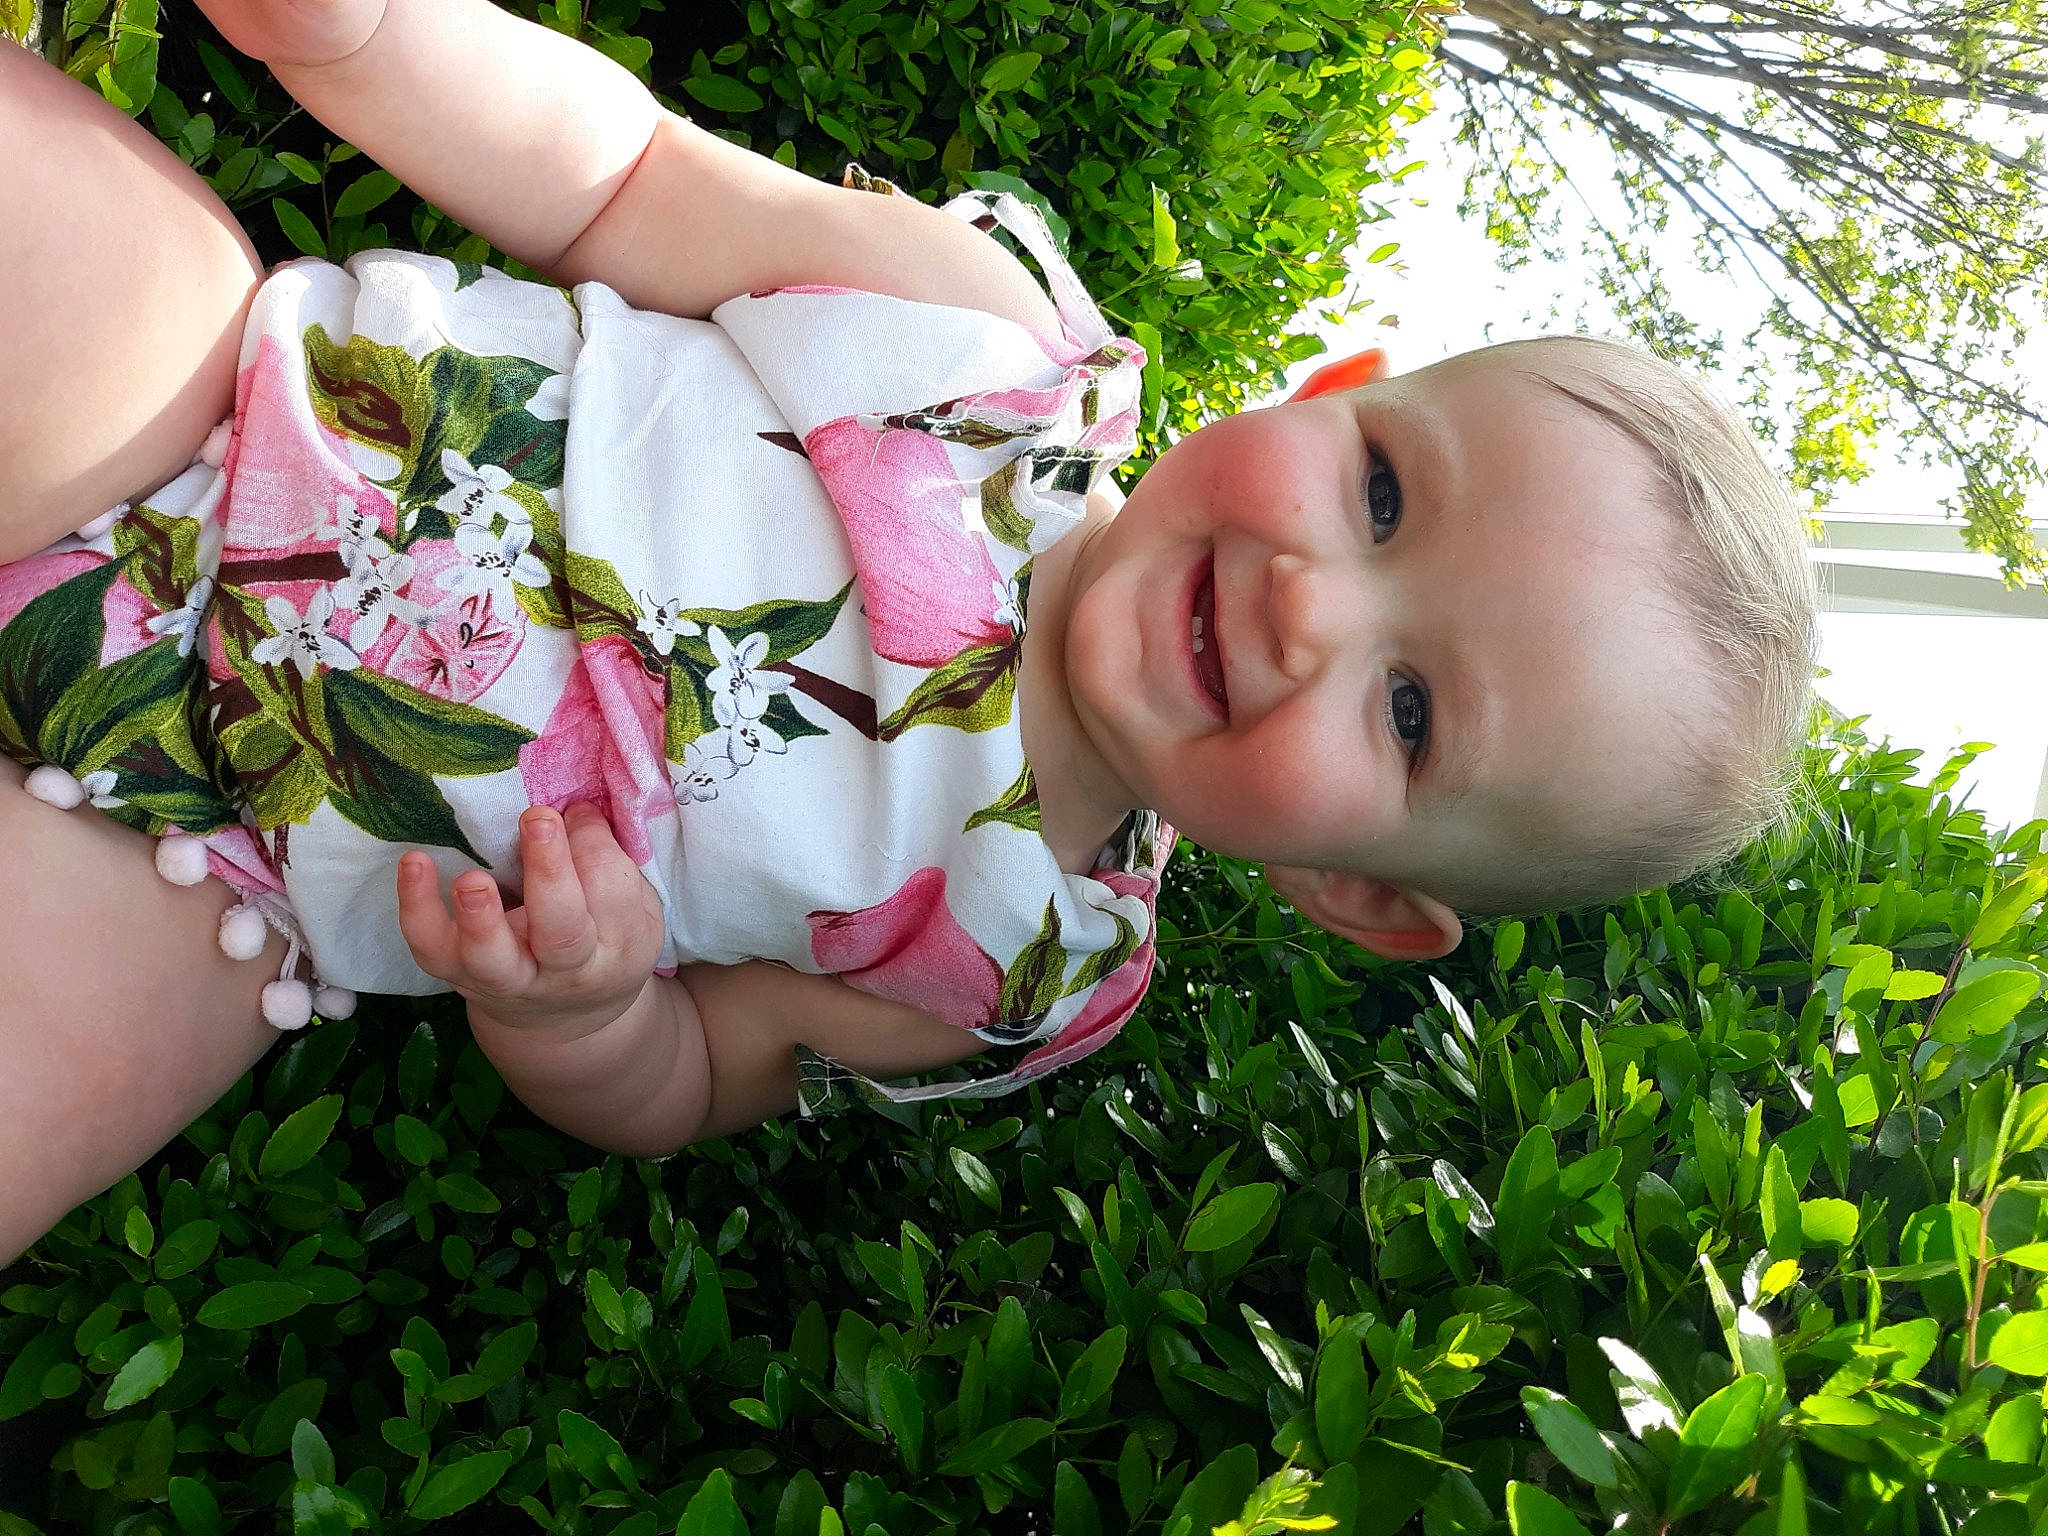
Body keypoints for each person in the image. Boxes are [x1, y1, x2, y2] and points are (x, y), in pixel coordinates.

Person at [0, 0, 1816, 1263]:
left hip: (214, 873)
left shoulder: (1025, 965)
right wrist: (382, 42)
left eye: (1410, 712)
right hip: (213, 403)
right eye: (1385, 496)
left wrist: (589, 1005)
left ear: (1365, 892)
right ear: (1339, 385)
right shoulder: (984, 352)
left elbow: (702, 1074)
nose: (1305, 604)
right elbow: (618, 179)